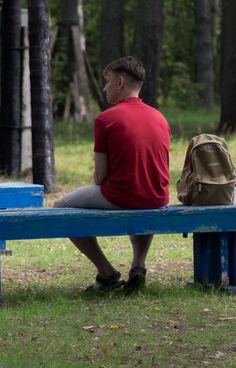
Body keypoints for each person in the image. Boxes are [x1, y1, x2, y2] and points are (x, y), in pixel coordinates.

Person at [54, 56, 170, 294]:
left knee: (59, 207)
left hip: (119, 196)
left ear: (120, 82)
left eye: (106, 82)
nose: (104, 88)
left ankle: (106, 272)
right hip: (157, 197)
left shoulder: (105, 119)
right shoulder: (160, 117)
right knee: (143, 199)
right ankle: (138, 265)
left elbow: (100, 176)